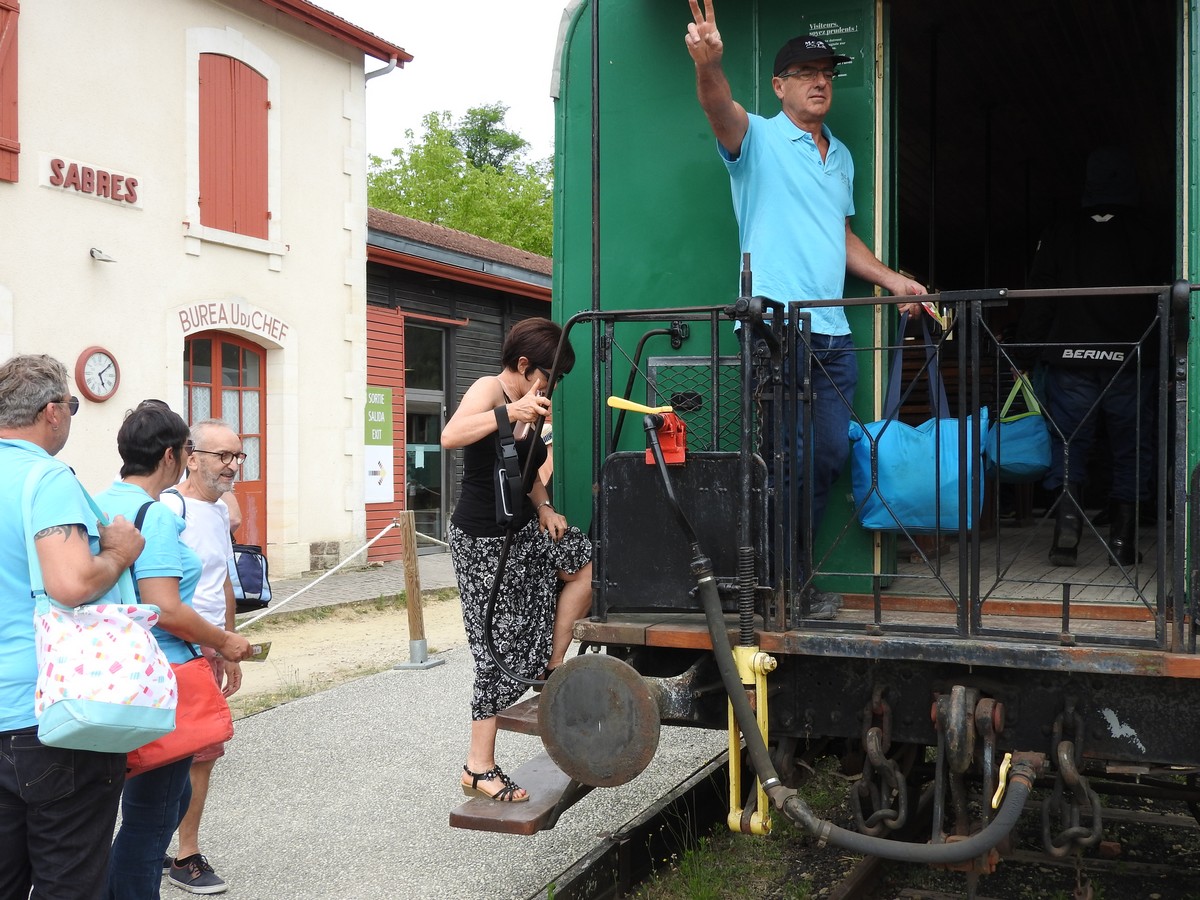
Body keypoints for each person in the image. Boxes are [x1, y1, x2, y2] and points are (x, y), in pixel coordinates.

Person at [685, 0, 927, 618]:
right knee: (782, 462)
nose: (821, 81)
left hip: (833, 332)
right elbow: (718, 108)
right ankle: (777, 587)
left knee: (824, 457)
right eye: (806, 72)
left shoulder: (839, 155)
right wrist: (709, 64)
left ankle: (784, 578)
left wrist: (893, 280)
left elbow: (838, 238)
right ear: (780, 85)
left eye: (828, 72)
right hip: (775, 330)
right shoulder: (758, 137)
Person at [0, 354, 146, 900]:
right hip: (51, 714)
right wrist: (120, 554)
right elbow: (69, 584)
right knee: (70, 882)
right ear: (52, 411)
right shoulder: (47, 478)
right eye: (74, 406)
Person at [97, 405, 252, 900]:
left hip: (107, 673)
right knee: (153, 813)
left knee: (120, 811)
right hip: (158, 677)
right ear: (172, 455)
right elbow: (162, 606)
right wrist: (226, 641)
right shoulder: (157, 515)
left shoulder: (100, 502)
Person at [441, 318, 592, 802]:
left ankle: (552, 668)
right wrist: (512, 412)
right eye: (551, 376)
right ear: (525, 366)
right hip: (483, 539)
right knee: (493, 644)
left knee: (587, 560)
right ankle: (477, 766)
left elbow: (525, 468)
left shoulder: (531, 405)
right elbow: (451, 435)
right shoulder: (490, 388)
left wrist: (545, 506)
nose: (553, 387)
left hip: (522, 527)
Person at [1020, 146, 1165, 567]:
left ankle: (1065, 538)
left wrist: (1027, 349)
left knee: (1069, 445)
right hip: (1132, 358)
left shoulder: (1062, 229)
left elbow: (1040, 292)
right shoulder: (1150, 230)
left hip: (1069, 357)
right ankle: (1122, 541)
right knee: (1132, 447)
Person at [159, 420, 246, 894]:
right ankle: (159, 848)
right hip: (174, 651)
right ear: (191, 457)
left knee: (204, 756)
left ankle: (184, 850)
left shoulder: (217, 512)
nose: (233, 466)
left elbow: (224, 584)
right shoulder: (168, 509)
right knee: (161, 755)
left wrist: (229, 646)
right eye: (223, 456)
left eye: (238, 456)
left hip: (209, 651)